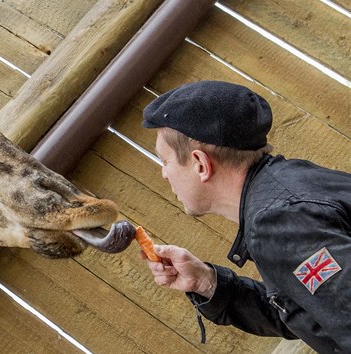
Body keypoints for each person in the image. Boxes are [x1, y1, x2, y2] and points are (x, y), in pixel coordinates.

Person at [140, 80, 350, 353]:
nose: (165, 173)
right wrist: (206, 282)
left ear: (201, 164)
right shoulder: (289, 185)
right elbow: (315, 311)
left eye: (165, 161)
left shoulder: (278, 222)